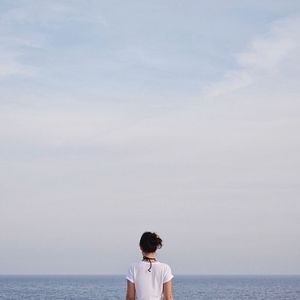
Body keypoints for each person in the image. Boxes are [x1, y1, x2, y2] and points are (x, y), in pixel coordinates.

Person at [126, 232, 174, 300]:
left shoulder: (133, 268)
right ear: (156, 247)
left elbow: (130, 297)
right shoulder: (165, 268)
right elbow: (168, 297)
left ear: (140, 247)